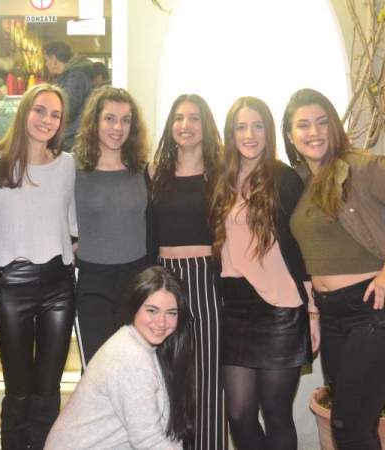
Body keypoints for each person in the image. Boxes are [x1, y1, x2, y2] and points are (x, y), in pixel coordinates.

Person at [284, 88, 385, 450]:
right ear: (290, 135)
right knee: (353, 425)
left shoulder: (362, 167)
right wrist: (313, 312)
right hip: (332, 316)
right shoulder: (299, 181)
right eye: (303, 125)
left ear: (335, 126)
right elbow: (311, 256)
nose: (314, 132)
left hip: (375, 310)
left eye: (322, 122)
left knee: (349, 426)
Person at [210, 97, 315, 450]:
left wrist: (313, 310)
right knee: (239, 415)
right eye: (241, 127)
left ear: (268, 131)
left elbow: (301, 245)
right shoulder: (221, 179)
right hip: (235, 309)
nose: (249, 134)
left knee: (276, 413)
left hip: (281, 309)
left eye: (257, 126)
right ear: (231, 133)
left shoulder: (284, 178)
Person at [0, 83, 77, 450]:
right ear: (24, 112)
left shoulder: (68, 165)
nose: (46, 120)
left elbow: (74, 223)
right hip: (11, 287)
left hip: (58, 286)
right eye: (40, 110)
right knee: (18, 389)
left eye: (55, 114)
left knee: (48, 390)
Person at [149, 94, 227, 450]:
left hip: (208, 278)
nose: (186, 125)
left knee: (209, 376)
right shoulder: (154, 173)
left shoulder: (221, 174)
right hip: (166, 280)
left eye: (194, 118)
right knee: (168, 374)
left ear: (206, 126)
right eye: (179, 118)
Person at [44, 266, 195, 450]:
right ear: (135, 307)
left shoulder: (143, 345)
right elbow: (149, 442)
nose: (161, 322)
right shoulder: (131, 359)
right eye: (152, 310)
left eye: (171, 313)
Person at [73, 86, 149, 365]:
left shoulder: (143, 170)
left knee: (135, 366)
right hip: (93, 282)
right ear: (94, 121)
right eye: (109, 118)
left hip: (137, 279)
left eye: (125, 120)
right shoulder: (74, 169)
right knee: (98, 369)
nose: (118, 127)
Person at [43, 41, 93, 152]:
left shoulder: (76, 77)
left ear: (54, 60)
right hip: (71, 137)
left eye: (46, 60)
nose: (46, 64)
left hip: (73, 139)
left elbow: (67, 109)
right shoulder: (67, 77)